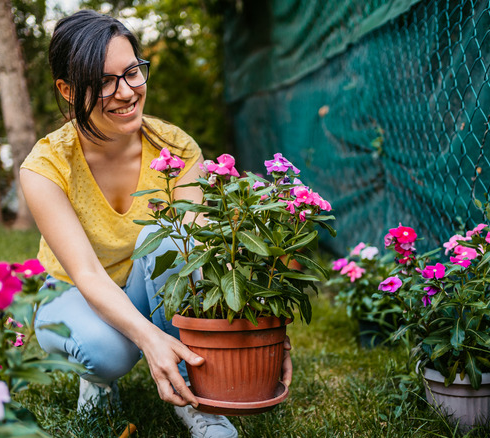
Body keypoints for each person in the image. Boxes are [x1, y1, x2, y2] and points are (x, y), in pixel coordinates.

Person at [19, 9, 291, 438]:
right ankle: (99, 378)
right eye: (104, 81)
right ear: (68, 91)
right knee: (108, 352)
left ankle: (192, 397)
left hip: (148, 289)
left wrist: (264, 328)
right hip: (72, 293)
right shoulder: (45, 166)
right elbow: (87, 274)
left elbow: (199, 259)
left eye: (132, 73)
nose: (126, 92)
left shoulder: (176, 148)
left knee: (170, 239)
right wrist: (149, 340)